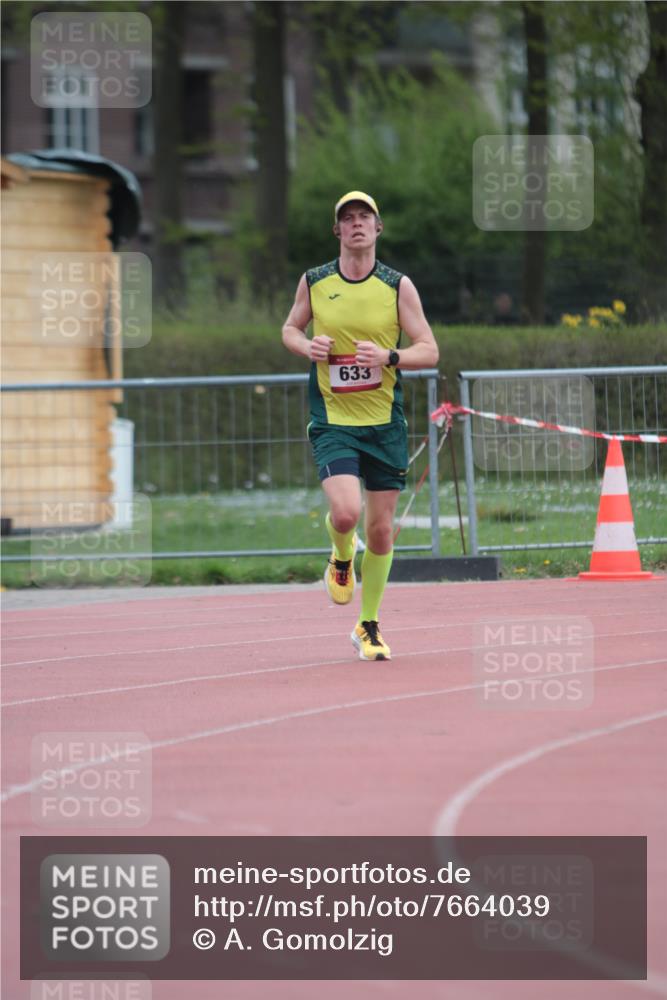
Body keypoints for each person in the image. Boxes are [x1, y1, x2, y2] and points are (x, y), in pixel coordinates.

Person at [282, 191, 439, 661]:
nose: (355, 225)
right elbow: (290, 329)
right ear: (337, 231)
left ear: (377, 228)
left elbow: (429, 349)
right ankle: (340, 553)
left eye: (363, 218)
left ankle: (367, 625)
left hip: (384, 423)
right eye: (347, 219)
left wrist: (390, 356)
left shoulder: (397, 286)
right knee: (347, 513)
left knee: (382, 531)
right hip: (333, 419)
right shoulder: (315, 281)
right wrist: (305, 347)